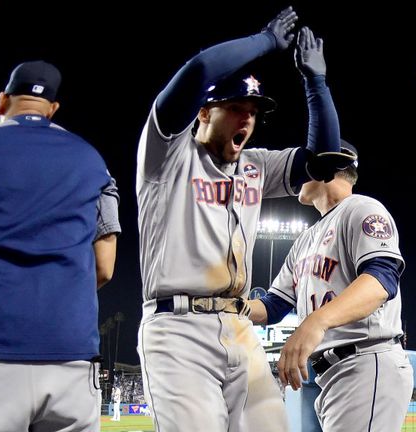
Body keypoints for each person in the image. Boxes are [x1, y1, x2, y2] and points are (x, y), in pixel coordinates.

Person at [135, 8, 345, 431]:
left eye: (252, 110)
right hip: (178, 331)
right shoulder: (167, 154)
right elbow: (197, 71)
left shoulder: (255, 165)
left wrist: (316, 84)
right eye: (234, 107)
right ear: (203, 113)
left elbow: (322, 162)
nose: (247, 118)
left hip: (239, 325)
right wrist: (264, 42)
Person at [249, 140, 413, 431]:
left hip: (366, 362)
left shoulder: (361, 208)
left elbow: (381, 281)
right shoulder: (304, 240)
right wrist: (228, 306)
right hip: (331, 375)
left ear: (328, 167)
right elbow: (273, 306)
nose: (295, 173)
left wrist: (316, 322)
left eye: (304, 165)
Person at [0, 60, 115, 431]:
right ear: (54, 109)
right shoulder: (93, 161)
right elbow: (105, 266)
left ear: (1, 102)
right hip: (71, 355)